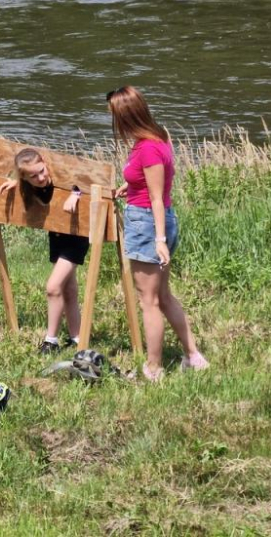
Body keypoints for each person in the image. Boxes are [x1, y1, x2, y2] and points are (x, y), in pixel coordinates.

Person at [107, 86, 209, 381]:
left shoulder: (148, 147)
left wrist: (160, 241)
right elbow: (158, 183)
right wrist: (131, 187)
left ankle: (153, 368)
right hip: (158, 218)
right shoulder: (158, 136)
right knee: (163, 296)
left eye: (115, 116)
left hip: (148, 224)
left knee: (148, 301)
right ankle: (193, 357)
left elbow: (155, 198)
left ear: (126, 116)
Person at [0, 148, 88, 354]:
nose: (40, 178)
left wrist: (75, 195)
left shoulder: (60, 180)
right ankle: (76, 338)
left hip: (76, 237)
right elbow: (29, 188)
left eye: (41, 171)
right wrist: (17, 183)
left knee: (53, 287)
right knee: (69, 290)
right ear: (24, 177)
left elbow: (81, 183)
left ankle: (51, 340)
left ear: (46, 163)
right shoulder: (28, 185)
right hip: (56, 236)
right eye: (33, 176)